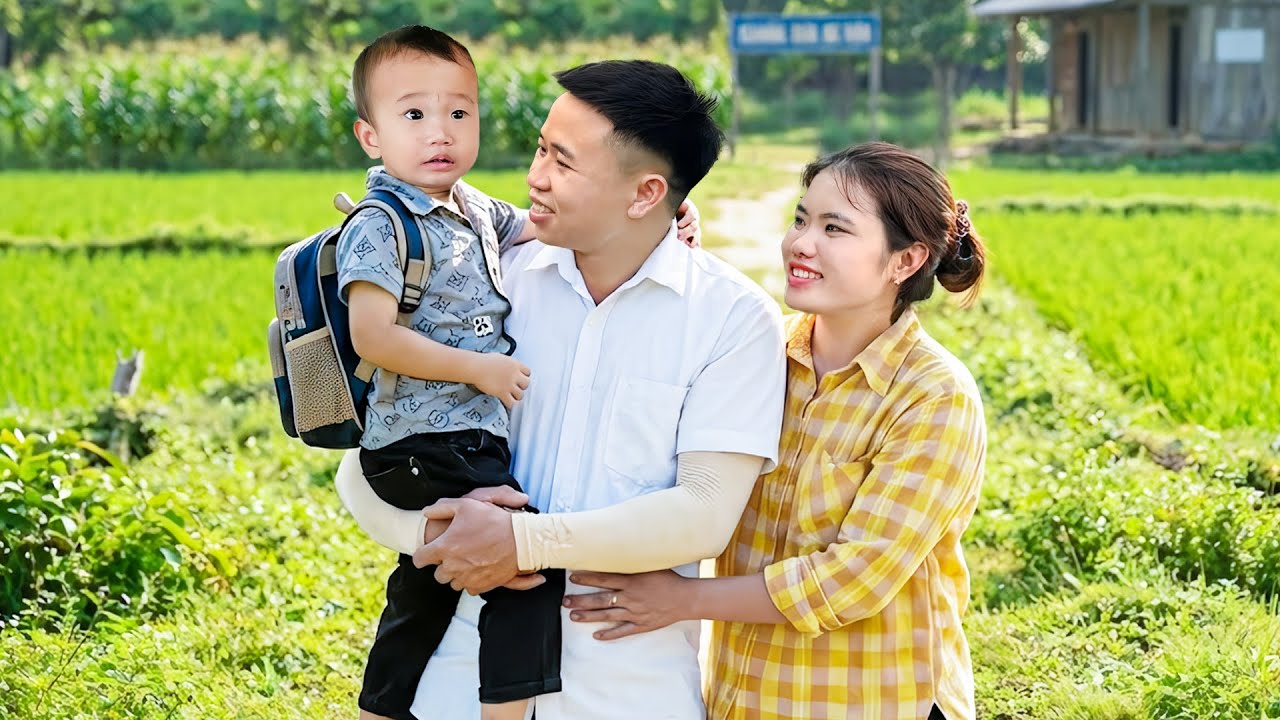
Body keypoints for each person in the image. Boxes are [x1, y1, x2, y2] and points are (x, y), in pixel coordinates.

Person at [335, 58, 787, 720]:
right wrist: (436, 533)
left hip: (628, 690)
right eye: (541, 148)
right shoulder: (485, 278)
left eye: (564, 163)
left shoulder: (732, 319)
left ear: (646, 194)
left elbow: (704, 514)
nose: (534, 177)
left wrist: (522, 542)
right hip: (457, 678)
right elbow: (360, 470)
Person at [564, 142, 989, 720]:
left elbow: (853, 578)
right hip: (745, 694)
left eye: (835, 228)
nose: (801, 244)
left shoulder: (934, 396)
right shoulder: (759, 349)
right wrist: (666, 240)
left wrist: (681, 601)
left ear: (904, 261)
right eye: (801, 218)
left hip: (874, 698)